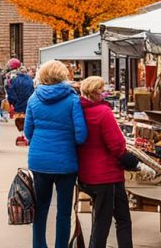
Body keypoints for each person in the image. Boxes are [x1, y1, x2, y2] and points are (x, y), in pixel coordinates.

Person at [25, 59, 88, 248]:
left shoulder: (34, 99)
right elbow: (81, 135)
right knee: (63, 211)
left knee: (41, 207)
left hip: (40, 162)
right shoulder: (72, 100)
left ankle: (39, 245)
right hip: (65, 162)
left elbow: (28, 133)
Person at [77, 76, 134, 248]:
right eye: (102, 90)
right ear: (95, 92)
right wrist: (131, 161)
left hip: (87, 174)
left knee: (104, 219)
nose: (105, 93)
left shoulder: (79, 111)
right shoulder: (104, 112)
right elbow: (116, 145)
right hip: (106, 176)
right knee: (114, 221)